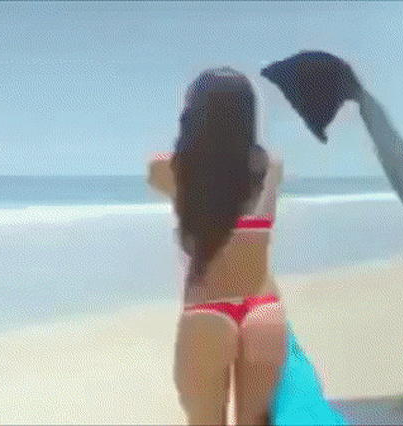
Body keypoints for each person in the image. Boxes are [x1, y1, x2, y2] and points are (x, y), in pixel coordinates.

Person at [147, 67, 286, 425]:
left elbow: (160, 167)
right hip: (263, 309)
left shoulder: (172, 171)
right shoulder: (271, 168)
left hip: (207, 310)